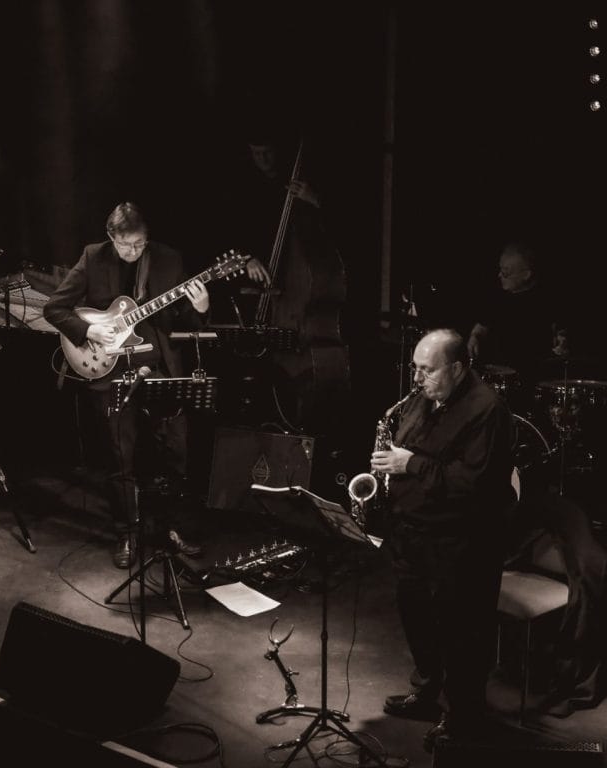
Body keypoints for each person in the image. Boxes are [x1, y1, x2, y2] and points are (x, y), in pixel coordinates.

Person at [370, 328, 516, 750]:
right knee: (417, 619)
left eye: (427, 370)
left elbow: (471, 484)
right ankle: (428, 691)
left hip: (462, 543)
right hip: (413, 534)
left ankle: (463, 717)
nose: (417, 379)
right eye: (415, 368)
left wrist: (409, 463)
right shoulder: (422, 398)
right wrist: (389, 462)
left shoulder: (487, 410)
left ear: (457, 368)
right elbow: (408, 447)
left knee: (462, 634)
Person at [43, 202, 210, 568]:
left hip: (160, 370)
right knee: (121, 459)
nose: (134, 251)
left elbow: (185, 325)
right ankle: (127, 535)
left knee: (174, 456)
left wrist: (199, 307)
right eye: (127, 245)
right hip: (111, 372)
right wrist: (89, 329)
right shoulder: (93, 257)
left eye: (140, 244)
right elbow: (54, 309)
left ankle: (172, 530)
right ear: (111, 237)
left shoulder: (169, 259)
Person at [215, 129, 349, 442]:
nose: (261, 161)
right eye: (255, 154)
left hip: (304, 328)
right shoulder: (245, 189)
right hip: (267, 305)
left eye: (267, 153)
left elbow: (350, 225)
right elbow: (229, 233)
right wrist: (247, 259)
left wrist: (316, 200)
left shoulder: (302, 191)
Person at [466, 242, 569, 390]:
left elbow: (561, 338)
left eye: (506, 272)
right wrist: (474, 337)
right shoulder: (496, 298)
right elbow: (481, 327)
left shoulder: (549, 301)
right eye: (500, 269)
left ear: (526, 274)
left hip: (535, 378)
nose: (499, 275)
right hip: (498, 377)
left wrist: (562, 345)